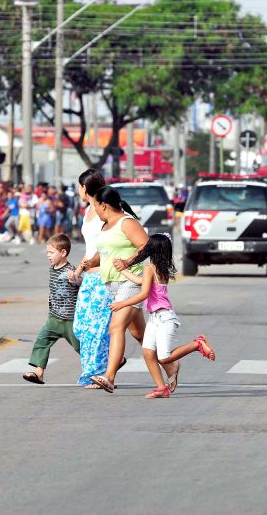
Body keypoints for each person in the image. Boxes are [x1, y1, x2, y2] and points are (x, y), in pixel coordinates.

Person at [111, 234, 216, 398]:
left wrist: (122, 304)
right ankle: (161, 388)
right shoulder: (159, 267)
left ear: (152, 249)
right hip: (155, 318)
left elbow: (144, 293)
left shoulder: (150, 268)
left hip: (165, 318)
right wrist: (123, 270)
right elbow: (141, 282)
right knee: (147, 352)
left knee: (164, 357)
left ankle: (197, 344)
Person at [85, 186, 164, 393]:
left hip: (131, 282)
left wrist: (128, 261)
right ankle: (171, 365)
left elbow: (147, 246)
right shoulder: (105, 227)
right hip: (112, 284)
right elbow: (104, 253)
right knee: (140, 334)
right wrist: (88, 264)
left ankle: (109, 377)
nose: (95, 211)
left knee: (116, 327)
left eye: (95, 207)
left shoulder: (126, 222)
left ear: (104, 205)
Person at [69, 169, 113, 388]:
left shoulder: (106, 208)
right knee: (81, 326)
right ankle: (99, 367)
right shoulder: (88, 211)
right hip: (88, 278)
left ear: (85, 187)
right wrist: (78, 271)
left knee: (98, 328)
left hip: (105, 277)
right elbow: (90, 249)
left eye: (79, 185)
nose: (78, 190)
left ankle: (98, 373)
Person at [23, 234, 81, 384]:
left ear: (63, 253)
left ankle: (109, 364)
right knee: (42, 341)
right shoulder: (52, 269)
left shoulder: (70, 270)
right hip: (54, 317)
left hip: (70, 319)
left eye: (51, 252)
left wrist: (74, 279)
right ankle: (39, 373)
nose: (48, 256)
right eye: (47, 253)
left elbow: (79, 281)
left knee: (80, 347)